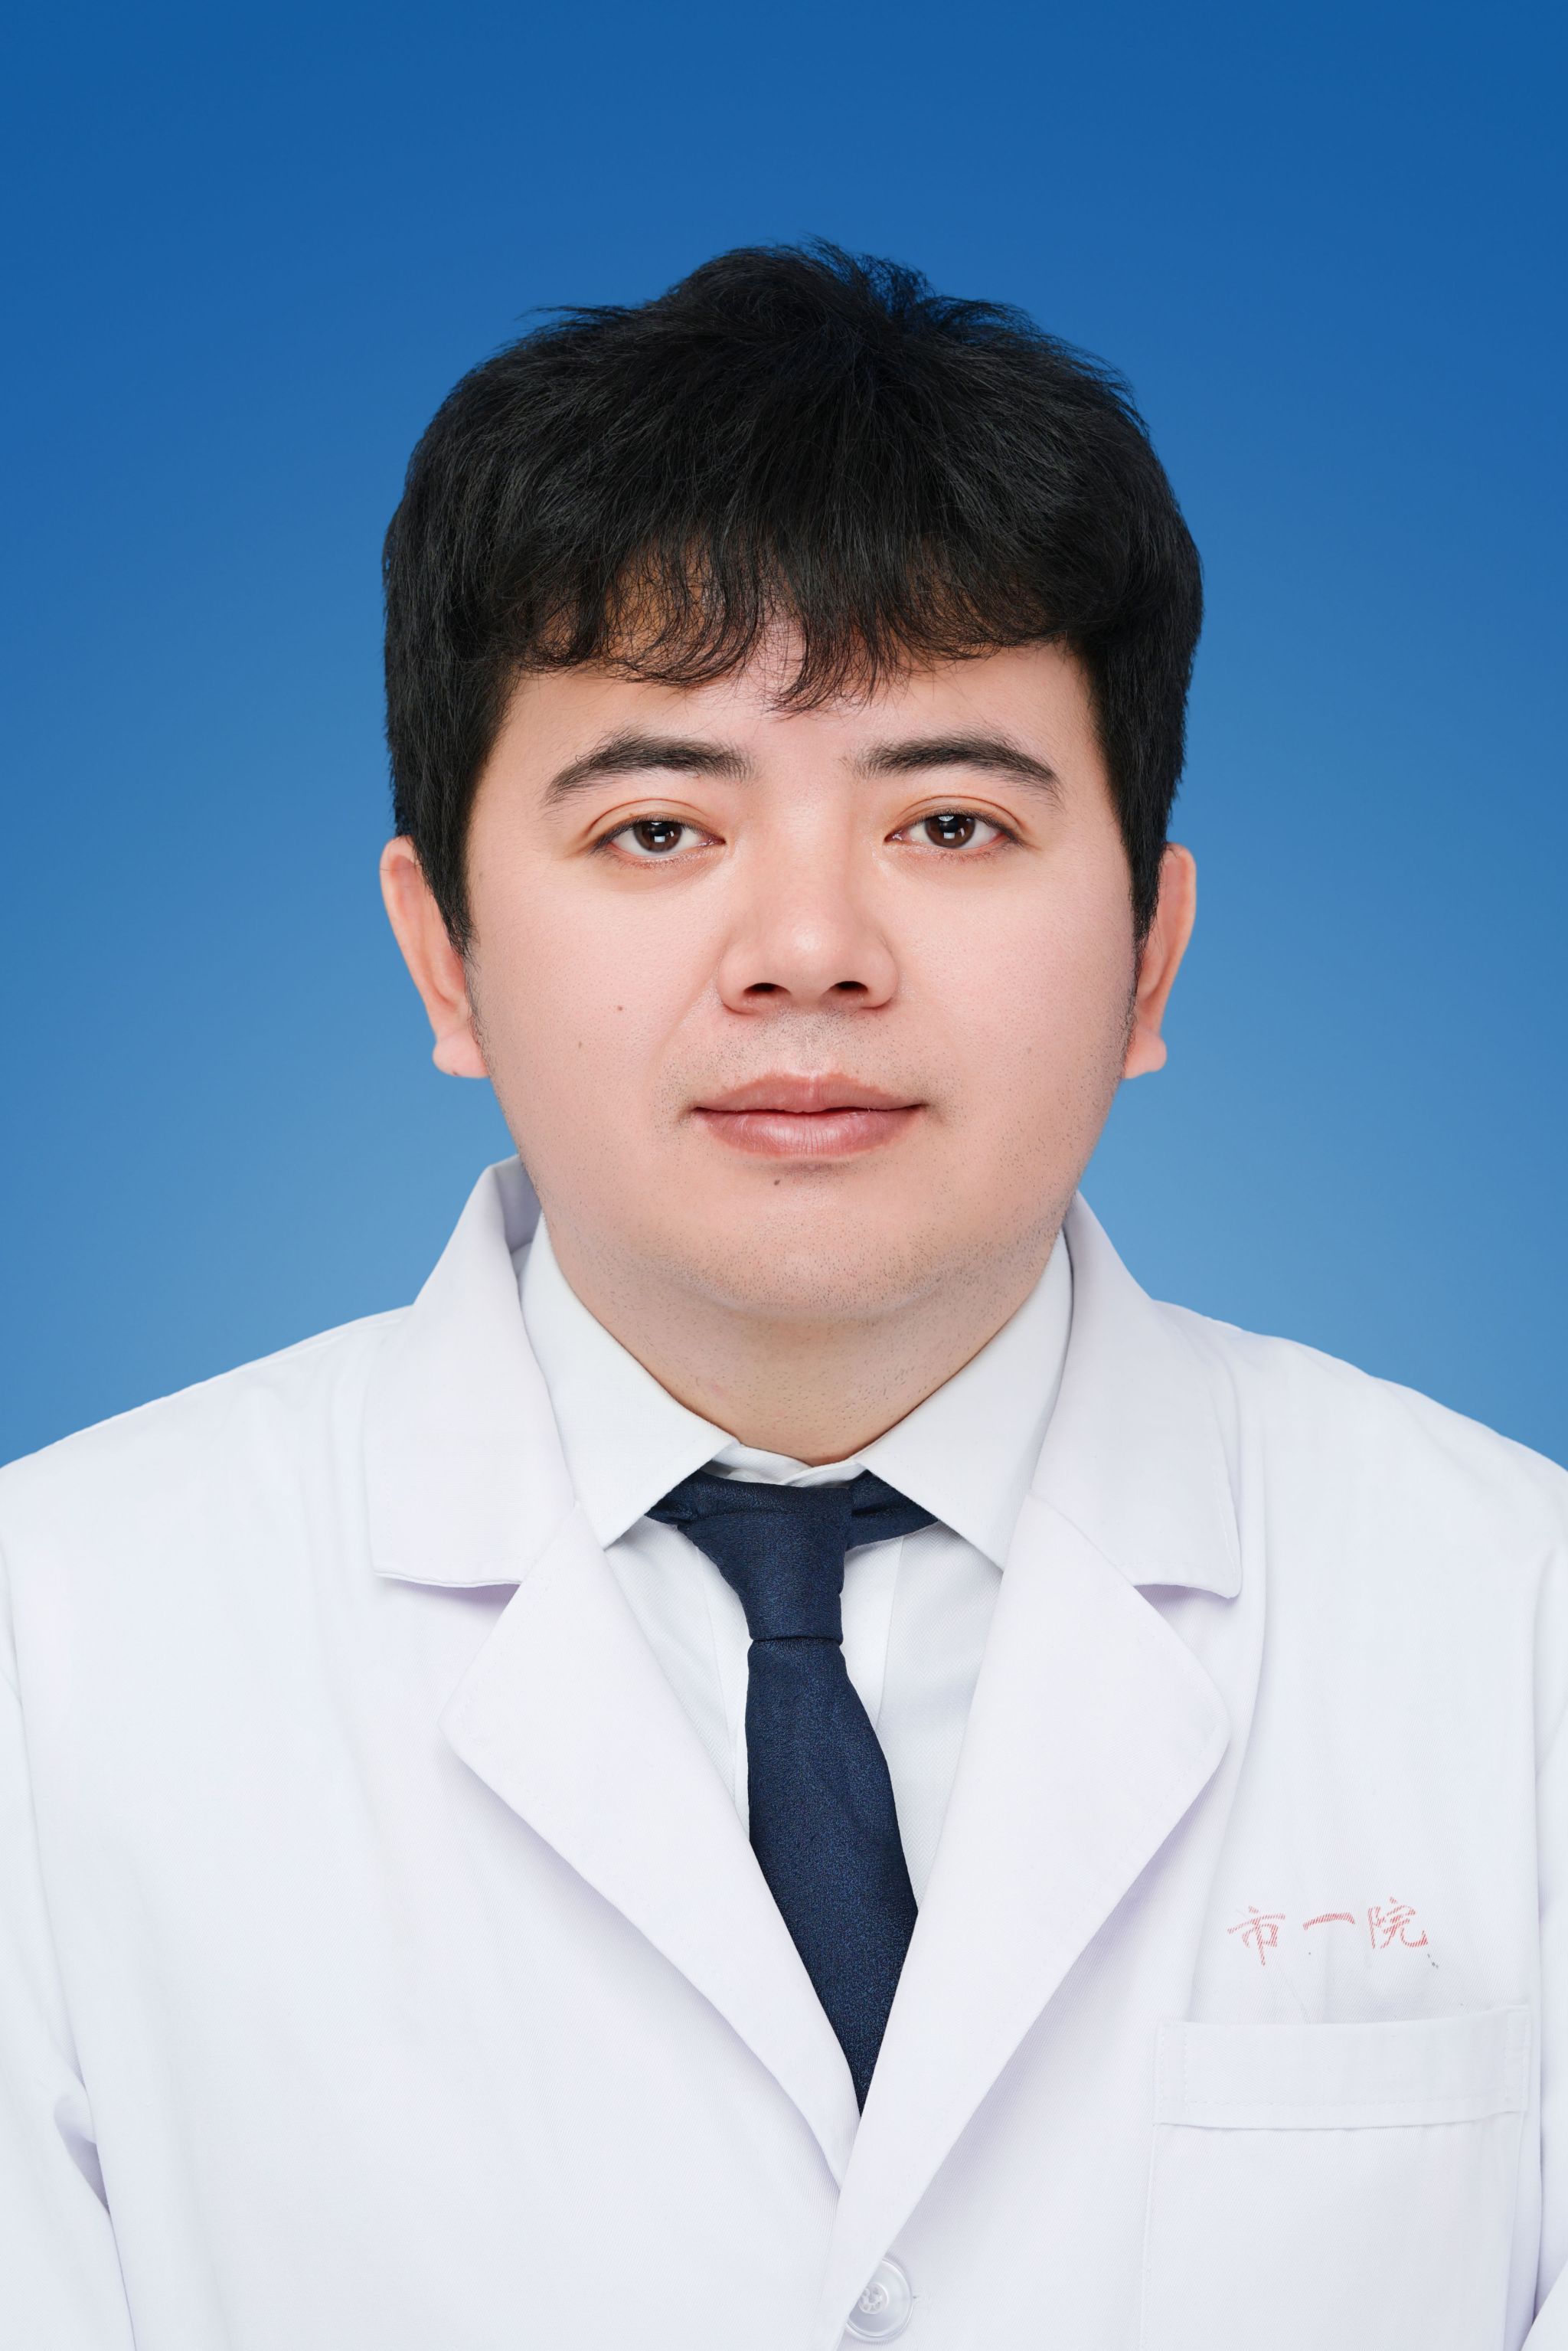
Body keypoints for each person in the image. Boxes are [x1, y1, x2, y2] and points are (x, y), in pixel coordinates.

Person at [1, 242, 1562, 2351]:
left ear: (1152, 956)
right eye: (659, 829)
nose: (808, 950)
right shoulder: (54, 1658)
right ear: (443, 954)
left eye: (951, 820)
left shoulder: (1517, 1631)